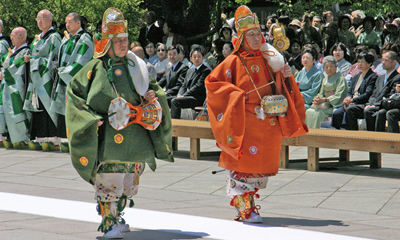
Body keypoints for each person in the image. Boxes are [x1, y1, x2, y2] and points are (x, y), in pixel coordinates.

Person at [65, 8, 173, 238]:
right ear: (107, 43)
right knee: (110, 180)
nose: (124, 45)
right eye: (118, 41)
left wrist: (152, 97)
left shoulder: (137, 67)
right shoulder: (94, 69)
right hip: (109, 137)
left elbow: (154, 90)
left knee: (126, 181)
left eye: (125, 40)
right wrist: (90, 120)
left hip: (135, 134)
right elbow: (74, 96)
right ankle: (108, 222)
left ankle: (118, 215)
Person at [205, 5, 306, 223]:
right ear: (241, 37)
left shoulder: (269, 57)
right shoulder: (232, 61)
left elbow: (279, 84)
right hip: (244, 121)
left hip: (267, 121)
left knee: (259, 168)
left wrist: (285, 75)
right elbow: (213, 85)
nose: (255, 38)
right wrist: (235, 95)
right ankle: (246, 208)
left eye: (258, 34)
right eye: (250, 34)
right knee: (241, 165)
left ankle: (249, 205)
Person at [50, 12, 94, 152]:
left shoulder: (85, 39)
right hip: (64, 78)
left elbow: (82, 62)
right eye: (66, 22)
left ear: (78, 23)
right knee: (65, 111)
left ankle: (79, 141)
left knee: (77, 111)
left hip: (76, 81)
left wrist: (66, 71)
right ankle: (66, 138)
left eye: (70, 22)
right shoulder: (67, 39)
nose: (67, 25)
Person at [23, 9, 62, 151]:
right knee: (38, 105)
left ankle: (53, 137)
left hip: (47, 79)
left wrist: (35, 60)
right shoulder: (37, 38)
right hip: (36, 79)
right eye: (38, 19)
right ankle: (41, 136)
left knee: (48, 105)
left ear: (50, 20)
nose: (40, 22)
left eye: (43, 18)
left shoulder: (54, 37)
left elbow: (55, 59)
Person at [0, 27, 30, 149]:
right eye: (11, 35)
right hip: (7, 86)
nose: (11, 38)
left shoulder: (26, 51)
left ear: (22, 37)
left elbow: (17, 67)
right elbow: (3, 63)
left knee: (17, 111)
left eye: (14, 35)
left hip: (17, 86)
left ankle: (22, 137)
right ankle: (9, 136)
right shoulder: (12, 51)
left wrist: (5, 73)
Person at [331, 51, 377, 129]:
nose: (359, 64)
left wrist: (353, 100)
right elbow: (350, 91)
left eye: (362, 62)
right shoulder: (356, 76)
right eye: (358, 62)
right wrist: (348, 98)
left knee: (350, 110)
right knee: (337, 113)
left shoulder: (372, 77)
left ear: (369, 63)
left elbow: (367, 94)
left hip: (362, 104)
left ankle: (353, 133)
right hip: (351, 103)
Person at [305, 56, 348, 128]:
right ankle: (310, 135)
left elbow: (339, 96)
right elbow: (321, 93)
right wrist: (317, 99)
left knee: (318, 114)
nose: (329, 69)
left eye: (331, 66)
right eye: (326, 67)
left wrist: (325, 99)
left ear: (336, 67)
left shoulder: (341, 79)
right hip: (324, 105)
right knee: (309, 111)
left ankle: (318, 136)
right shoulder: (325, 79)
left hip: (334, 105)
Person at [170, 47, 210, 119]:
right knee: (167, 99)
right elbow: (184, 85)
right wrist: (180, 94)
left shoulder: (206, 71)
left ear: (203, 58)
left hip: (197, 98)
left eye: (199, 56)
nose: (196, 59)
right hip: (188, 96)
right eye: (194, 57)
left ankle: (175, 124)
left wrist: (184, 95)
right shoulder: (190, 70)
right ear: (191, 58)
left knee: (175, 101)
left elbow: (198, 86)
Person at [364, 51, 400, 131]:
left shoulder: (397, 77)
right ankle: (371, 137)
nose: (383, 62)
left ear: (394, 62)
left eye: (386, 60)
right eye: (382, 60)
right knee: (367, 110)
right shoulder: (380, 78)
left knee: (382, 112)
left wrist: (376, 105)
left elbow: (391, 95)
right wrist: (370, 104)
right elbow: (374, 94)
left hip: (387, 105)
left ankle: (386, 139)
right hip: (378, 104)